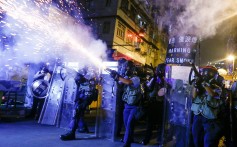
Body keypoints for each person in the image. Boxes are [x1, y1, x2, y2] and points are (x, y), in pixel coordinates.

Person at [109, 60, 142, 147]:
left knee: (130, 124)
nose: (126, 68)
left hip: (134, 106)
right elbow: (120, 86)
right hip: (126, 106)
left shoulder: (136, 78)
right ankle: (128, 139)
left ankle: (127, 143)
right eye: (125, 67)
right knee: (127, 124)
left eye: (128, 67)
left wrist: (118, 77)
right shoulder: (125, 77)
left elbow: (128, 82)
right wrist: (116, 79)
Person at [60, 68, 98, 141]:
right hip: (81, 99)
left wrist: (83, 103)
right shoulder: (81, 81)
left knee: (78, 113)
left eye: (78, 77)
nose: (76, 78)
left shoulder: (89, 81)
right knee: (79, 114)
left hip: (86, 99)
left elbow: (90, 93)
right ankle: (82, 128)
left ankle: (72, 133)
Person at [191, 66, 225, 147]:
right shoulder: (200, 85)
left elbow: (213, 94)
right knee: (197, 139)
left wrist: (204, 84)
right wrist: (196, 85)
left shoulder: (217, 87)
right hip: (197, 115)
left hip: (210, 118)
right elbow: (193, 96)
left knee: (209, 142)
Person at [140, 63, 167, 145]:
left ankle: (160, 141)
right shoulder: (154, 79)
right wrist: (155, 77)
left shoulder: (166, 79)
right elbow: (149, 88)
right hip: (153, 103)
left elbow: (167, 88)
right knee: (150, 123)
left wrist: (162, 79)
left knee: (160, 124)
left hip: (161, 103)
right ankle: (146, 139)